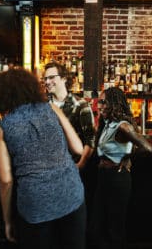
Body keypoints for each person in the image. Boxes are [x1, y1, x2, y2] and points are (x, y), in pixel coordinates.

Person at [0, 68, 86, 249]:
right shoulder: (50, 108)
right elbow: (78, 148)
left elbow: (5, 180)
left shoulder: (1, 128)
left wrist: (8, 222)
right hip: (72, 195)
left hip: (35, 205)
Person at [89, 87, 152, 249]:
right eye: (99, 103)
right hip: (104, 178)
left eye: (104, 102)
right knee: (98, 226)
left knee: (115, 229)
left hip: (117, 179)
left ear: (115, 104)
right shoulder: (108, 124)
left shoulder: (123, 126)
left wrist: (126, 158)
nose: (100, 106)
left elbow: (147, 147)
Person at [44, 61, 96, 215]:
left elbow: (90, 141)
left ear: (64, 79)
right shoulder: (42, 106)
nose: (47, 82)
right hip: (47, 173)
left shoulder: (80, 106)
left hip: (70, 173)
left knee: (71, 217)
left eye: (51, 77)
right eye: (45, 78)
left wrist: (79, 166)